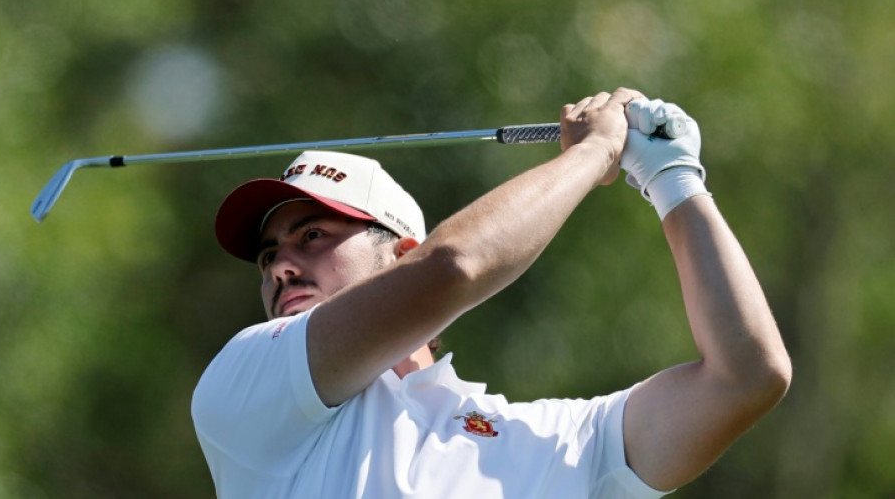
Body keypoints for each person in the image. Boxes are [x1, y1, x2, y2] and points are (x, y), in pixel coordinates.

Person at [191, 87, 792, 498]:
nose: (280, 268)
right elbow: (455, 266)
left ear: (401, 253)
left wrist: (673, 178)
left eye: (312, 236)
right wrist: (596, 151)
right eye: (267, 256)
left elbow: (746, 377)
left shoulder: (553, 441)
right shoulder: (249, 377)